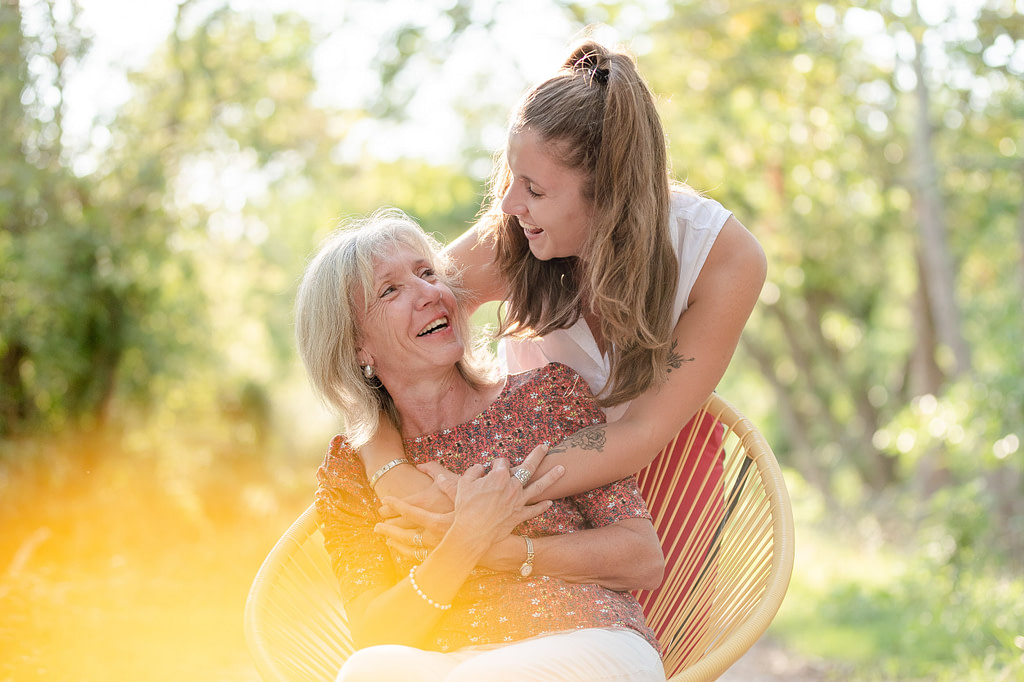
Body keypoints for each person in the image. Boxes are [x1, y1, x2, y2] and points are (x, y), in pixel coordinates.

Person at [363, 37, 766, 567]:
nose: (509, 204)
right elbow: (371, 345)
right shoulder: (510, 237)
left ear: (609, 193)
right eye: (512, 179)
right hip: (527, 493)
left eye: (533, 188)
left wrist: (494, 490)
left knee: (671, 647)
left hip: (670, 476)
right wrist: (395, 474)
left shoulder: (723, 257)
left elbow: (641, 431)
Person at [295, 209, 667, 681]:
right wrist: (466, 539)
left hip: (586, 643)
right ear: (356, 347)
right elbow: (375, 632)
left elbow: (641, 558)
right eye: (390, 290)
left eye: (428, 273)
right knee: (367, 669)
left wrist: (508, 551)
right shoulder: (351, 467)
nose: (430, 293)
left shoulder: (544, 395)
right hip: (450, 664)